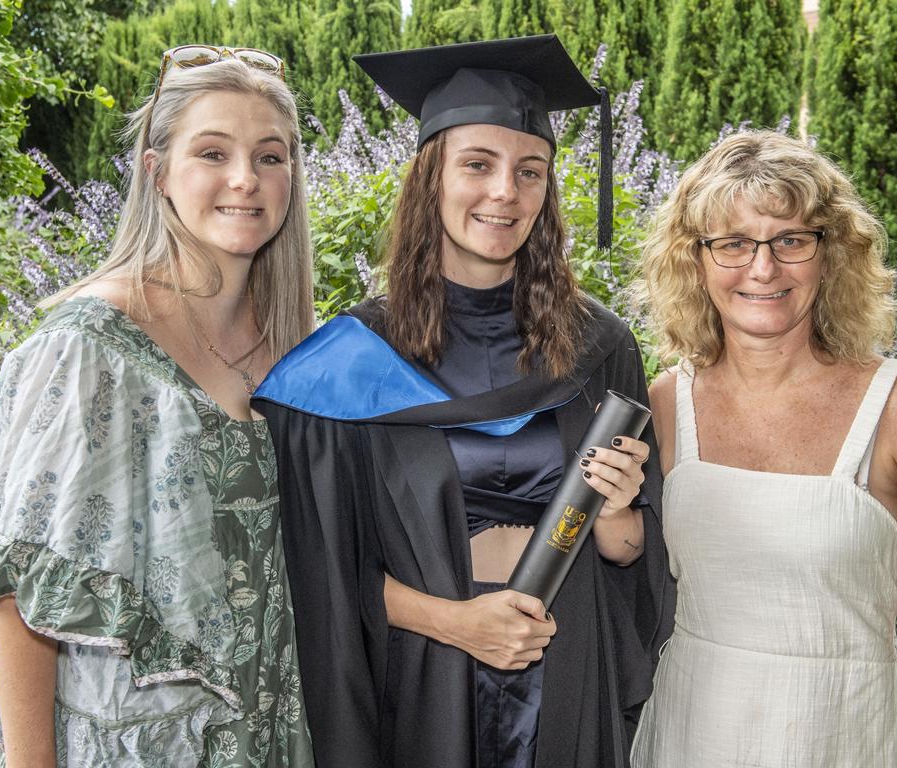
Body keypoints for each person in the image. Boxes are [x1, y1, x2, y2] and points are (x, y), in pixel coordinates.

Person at [254, 35, 675, 768]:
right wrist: (455, 623)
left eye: (530, 171)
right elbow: (319, 573)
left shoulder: (600, 348)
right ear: (432, 177)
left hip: (568, 663)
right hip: (425, 674)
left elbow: (632, 556)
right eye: (477, 164)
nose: (505, 192)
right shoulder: (352, 362)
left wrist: (618, 513)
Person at [0, 46, 316, 767]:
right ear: (157, 173)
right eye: (212, 152)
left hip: (269, 737)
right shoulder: (90, 349)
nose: (245, 179)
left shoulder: (295, 347)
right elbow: (19, 596)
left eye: (271, 156)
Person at [630, 130, 897, 767]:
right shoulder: (664, 406)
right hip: (694, 732)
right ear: (695, 260)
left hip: (849, 735)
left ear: (832, 254)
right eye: (733, 244)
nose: (762, 269)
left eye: (790, 240)